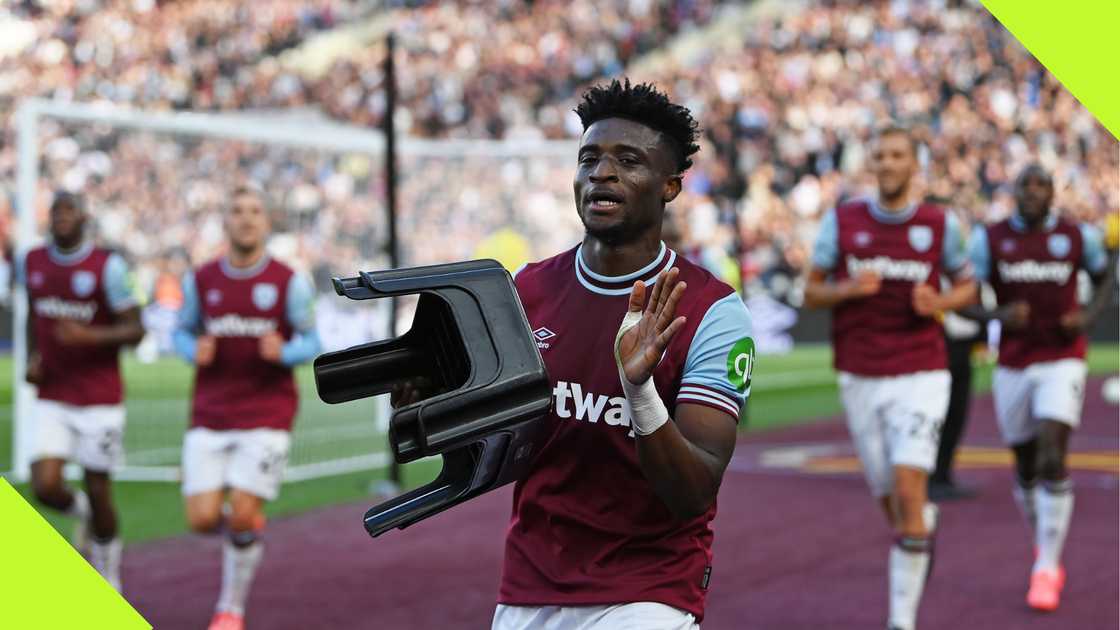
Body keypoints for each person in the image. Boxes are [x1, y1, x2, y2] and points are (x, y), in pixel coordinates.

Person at [395, 79, 752, 629]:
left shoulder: (712, 311)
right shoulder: (525, 290)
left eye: (628, 160)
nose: (601, 173)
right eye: (589, 158)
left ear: (670, 186)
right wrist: (432, 409)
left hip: (647, 594)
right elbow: (498, 444)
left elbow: (694, 492)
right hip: (528, 585)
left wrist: (638, 391)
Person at [803, 126, 977, 630]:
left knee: (906, 486)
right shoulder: (842, 221)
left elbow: (968, 286)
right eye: (880, 155)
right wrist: (848, 289)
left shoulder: (940, 224)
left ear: (914, 164)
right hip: (860, 373)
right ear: (872, 164)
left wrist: (939, 301)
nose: (888, 163)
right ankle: (919, 527)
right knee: (892, 500)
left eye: (898, 155)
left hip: (922, 371)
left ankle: (901, 620)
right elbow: (810, 292)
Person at [962, 164, 1113, 612]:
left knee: (1052, 452)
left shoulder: (1078, 236)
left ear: (1052, 193)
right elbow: (962, 297)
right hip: (1013, 362)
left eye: (1040, 185)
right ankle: (1043, 541)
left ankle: (1047, 566)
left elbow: (1106, 276)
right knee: (1026, 466)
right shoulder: (989, 239)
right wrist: (997, 316)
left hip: (1063, 358)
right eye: (1024, 186)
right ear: (1013, 192)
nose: (1032, 192)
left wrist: (1087, 317)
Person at [173, 186, 322, 630]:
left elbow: (314, 341)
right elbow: (180, 331)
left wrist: (286, 351)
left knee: (241, 511)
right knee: (201, 520)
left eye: (255, 211)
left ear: (266, 222)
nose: (246, 218)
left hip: (267, 413)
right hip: (210, 411)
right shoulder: (201, 279)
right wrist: (191, 349)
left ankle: (230, 609)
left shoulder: (289, 281)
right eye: (237, 211)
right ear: (226, 221)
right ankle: (245, 535)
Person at [22, 191, 145, 591]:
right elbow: (34, 315)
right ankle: (84, 515)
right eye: (55, 210)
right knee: (44, 486)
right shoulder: (33, 261)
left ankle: (108, 577)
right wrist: (34, 357)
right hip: (53, 394)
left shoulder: (108, 267)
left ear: (84, 218)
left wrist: (89, 336)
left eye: (69, 210)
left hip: (99, 399)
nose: (61, 217)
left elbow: (136, 329)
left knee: (98, 487)